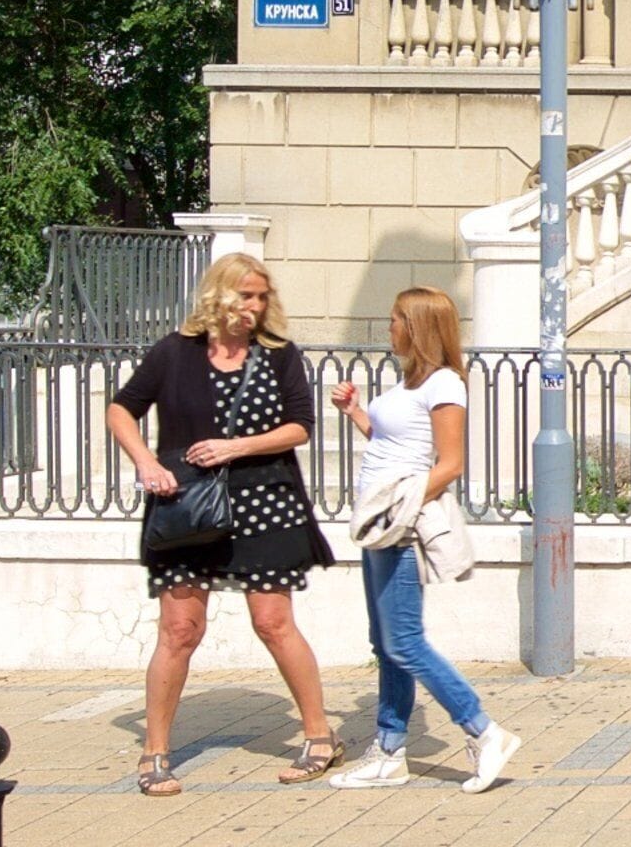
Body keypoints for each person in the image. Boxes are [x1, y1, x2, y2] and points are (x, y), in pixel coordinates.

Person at [107, 252, 340, 795]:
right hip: (187, 503)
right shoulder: (173, 353)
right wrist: (146, 461)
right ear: (218, 296)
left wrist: (238, 446)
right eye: (245, 296)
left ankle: (319, 735)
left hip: (266, 501)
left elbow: (299, 427)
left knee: (273, 622)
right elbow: (122, 409)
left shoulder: (277, 356)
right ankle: (155, 751)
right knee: (181, 630)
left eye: (261, 297)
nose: (254, 307)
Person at [325, 288, 520, 792]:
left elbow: (449, 464)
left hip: (400, 526)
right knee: (385, 643)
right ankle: (389, 752)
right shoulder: (410, 382)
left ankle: (484, 731)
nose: (387, 327)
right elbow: (393, 444)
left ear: (416, 327)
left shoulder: (446, 384)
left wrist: (401, 506)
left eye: (394, 320)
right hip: (380, 523)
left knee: (404, 641)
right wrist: (357, 414)